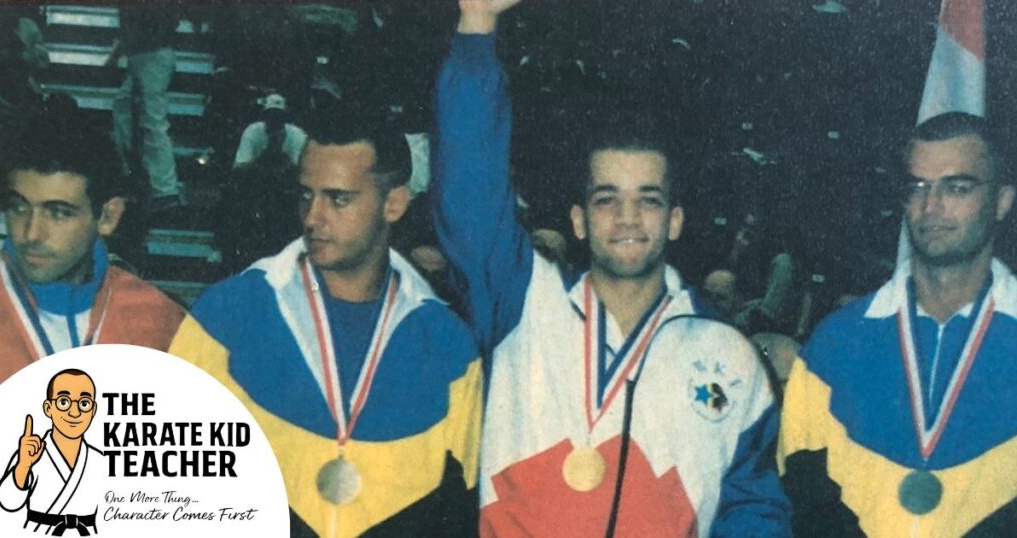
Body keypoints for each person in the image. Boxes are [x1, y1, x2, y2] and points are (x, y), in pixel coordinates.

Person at [433, 1, 790, 535]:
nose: (627, 217)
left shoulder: (726, 353)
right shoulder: (524, 304)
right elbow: (469, 194)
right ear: (578, 220)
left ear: (674, 221)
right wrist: (477, 28)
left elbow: (753, 510)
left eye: (647, 200)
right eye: (607, 199)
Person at [168, 107, 483, 537]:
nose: (313, 217)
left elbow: (461, 517)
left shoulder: (447, 346)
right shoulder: (228, 315)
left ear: (394, 203)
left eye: (339, 199)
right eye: (305, 195)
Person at [779, 112, 1017, 536]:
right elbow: (792, 499)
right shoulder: (834, 347)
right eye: (917, 188)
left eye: (957, 188)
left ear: (1001, 201)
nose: (931, 207)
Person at [0, 123, 185, 388]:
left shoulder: (159, 320)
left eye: (58, 212)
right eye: (19, 208)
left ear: (108, 217)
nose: (31, 234)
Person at [0, 369, 106, 535]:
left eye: (84, 403)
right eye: (64, 402)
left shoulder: (99, 460)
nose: (75, 412)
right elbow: (8, 503)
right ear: (48, 408)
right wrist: (23, 466)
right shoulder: (31, 454)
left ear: (93, 410)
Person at [108, 3, 184, 213]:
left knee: (153, 121)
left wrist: (129, 47)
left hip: (154, 56)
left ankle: (166, 189)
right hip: (142, 57)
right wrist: (118, 53)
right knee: (122, 108)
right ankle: (131, 172)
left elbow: (163, 25)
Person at [233, 93, 308, 169]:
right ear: (264, 116)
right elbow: (240, 167)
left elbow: (303, 169)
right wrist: (265, 156)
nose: (274, 119)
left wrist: (281, 153)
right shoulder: (252, 131)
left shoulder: (297, 134)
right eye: (270, 114)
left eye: (279, 115)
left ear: (285, 118)